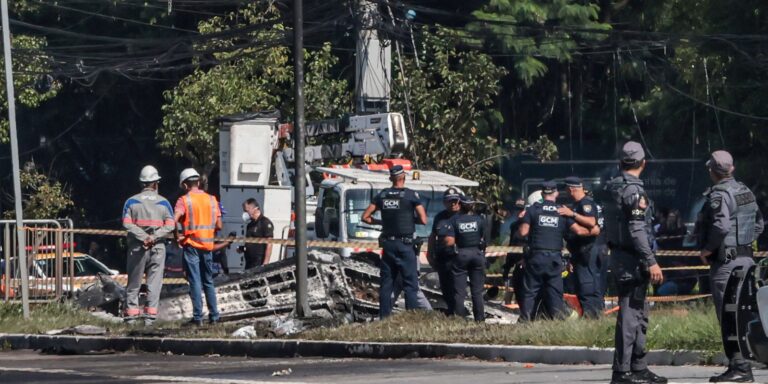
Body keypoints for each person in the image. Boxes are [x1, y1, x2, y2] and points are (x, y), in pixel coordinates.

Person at [698, 150, 763, 383]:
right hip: (747, 260)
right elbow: (759, 224)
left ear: (711, 171)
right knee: (744, 313)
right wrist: (743, 244)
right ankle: (744, 364)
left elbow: (721, 226)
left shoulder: (720, 194)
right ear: (732, 168)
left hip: (726, 263)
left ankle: (740, 367)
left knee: (728, 315)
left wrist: (708, 249)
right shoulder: (745, 190)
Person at [604, 141, 666, 384]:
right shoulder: (633, 191)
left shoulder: (614, 187)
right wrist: (650, 261)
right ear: (643, 164)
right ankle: (622, 371)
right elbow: (637, 229)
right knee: (630, 316)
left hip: (623, 256)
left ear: (621, 163)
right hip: (633, 259)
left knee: (640, 314)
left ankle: (638, 368)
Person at [517, 181, 590, 322]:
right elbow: (579, 231)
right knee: (555, 292)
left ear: (543, 194)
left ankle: (525, 321)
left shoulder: (532, 210)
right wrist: (594, 231)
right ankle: (557, 321)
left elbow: (523, 232)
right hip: (554, 259)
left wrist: (524, 220)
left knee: (530, 292)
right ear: (556, 193)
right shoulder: (562, 211)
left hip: (536, 257)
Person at [362, 165, 427, 319]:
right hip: (405, 245)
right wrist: (410, 220)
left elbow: (365, 217)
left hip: (388, 246)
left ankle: (384, 318)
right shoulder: (411, 195)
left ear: (391, 178)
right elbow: (424, 220)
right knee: (410, 284)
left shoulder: (382, 195)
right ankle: (412, 318)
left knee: (386, 284)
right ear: (403, 177)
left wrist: (381, 222)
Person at [121, 165, 174, 326]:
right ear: (156, 183)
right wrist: (153, 237)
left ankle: (131, 317)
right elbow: (170, 225)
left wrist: (143, 237)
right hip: (157, 248)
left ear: (141, 183)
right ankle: (150, 319)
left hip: (138, 247)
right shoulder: (164, 202)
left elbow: (127, 224)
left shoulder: (131, 201)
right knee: (154, 283)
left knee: (134, 283)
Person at [174, 168, 222, 326]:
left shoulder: (184, 200)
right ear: (199, 182)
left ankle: (198, 318)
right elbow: (219, 225)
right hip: (207, 245)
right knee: (208, 281)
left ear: (185, 185)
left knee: (195, 281)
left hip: (192, 245)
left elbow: (174, 220)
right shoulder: (212, 199)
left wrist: (177, 235)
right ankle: (214, 317)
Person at [559, 176, 604, 318]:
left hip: (587, 250)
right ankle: (593, 313)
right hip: (580, 252)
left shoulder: (585, 204)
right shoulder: (578, 205)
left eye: (566, 189)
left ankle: (591, 314)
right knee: (584, 283)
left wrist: (571, 214)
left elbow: (591, 222)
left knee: (586, 284)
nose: (565, 192)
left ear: (572, 189)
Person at [442, 195, 486, 321]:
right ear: (473, 205)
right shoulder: (479, 219)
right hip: (477, 254)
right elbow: (483, 238)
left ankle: (459, 319)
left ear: (460, 204)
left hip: (461, 254)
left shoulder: (454, 220)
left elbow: (449, 241)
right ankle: (480, 320)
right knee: (477, 291)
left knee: (459, 291)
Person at [427, 187, 463, 313]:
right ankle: (452, 310)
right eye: (449, 201)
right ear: (444, 202)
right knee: (445, 287)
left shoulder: (464, 216)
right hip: (442, 257)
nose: (453, 203)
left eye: (455, 200)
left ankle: (459, 312)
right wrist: (429, 254)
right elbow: (433, 236)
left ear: (459, 201)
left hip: (458, 258)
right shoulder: (440, 217)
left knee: (457, 288)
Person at [239, 198, 274, 269]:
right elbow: (250, 243)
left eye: (246, 211)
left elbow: (269, 244)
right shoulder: (250, 225)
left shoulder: (264, 222)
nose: (244, 213)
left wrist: (265, 263)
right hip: (249, 262)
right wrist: (243, 248)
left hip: (259, 262)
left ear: (255, 209)